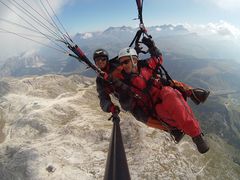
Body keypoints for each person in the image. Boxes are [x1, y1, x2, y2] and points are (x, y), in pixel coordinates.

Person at [116, 39, 209, 153]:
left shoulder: (147, 66)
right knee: (170, 101)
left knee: (168, 92)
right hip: (157, 110)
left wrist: (152, 47)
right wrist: (125, 97)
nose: (123, 65)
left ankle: (197, 136)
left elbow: (158, 58)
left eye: (126, 62)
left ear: (134, 60)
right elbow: (127, 106)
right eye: (121, 63)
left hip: (168, 96)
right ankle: (184, 124)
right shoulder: (124, 83)